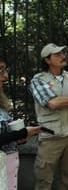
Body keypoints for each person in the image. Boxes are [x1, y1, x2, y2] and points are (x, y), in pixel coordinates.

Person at [29, 43, 68, 190]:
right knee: (44, 180)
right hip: (51, 137)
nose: (63, 56)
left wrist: (65, 100)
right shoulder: (38, 80)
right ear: (47, 60)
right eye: (57, 54)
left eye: (63, 53)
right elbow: (53, 104)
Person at [0, 56, 41, 189]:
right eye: (0, 70)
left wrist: (20, 137)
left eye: (5, 70)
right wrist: (22, 132)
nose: (5, 76)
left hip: (8, 164)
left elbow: (5, 135)